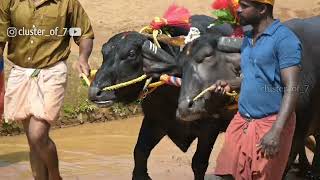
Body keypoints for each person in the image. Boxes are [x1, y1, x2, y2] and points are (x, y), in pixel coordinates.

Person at [0, 0, 94, 179]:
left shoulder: (67, 3)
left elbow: (84, 33)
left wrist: (83, 58)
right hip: (20, 73)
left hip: (52, 72)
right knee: (33, 142)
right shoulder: (9, 1)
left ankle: (55, 175)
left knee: (37, 135)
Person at [209, 0, 302, 179]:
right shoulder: (248, 38)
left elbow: (292, 87)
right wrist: (231, 83)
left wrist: (276, 131)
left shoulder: (285, 40)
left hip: (270, 125)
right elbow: (253, 75)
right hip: (242, 122)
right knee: (228, 174)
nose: (239, 10)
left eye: (244, 6)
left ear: (262, 9)